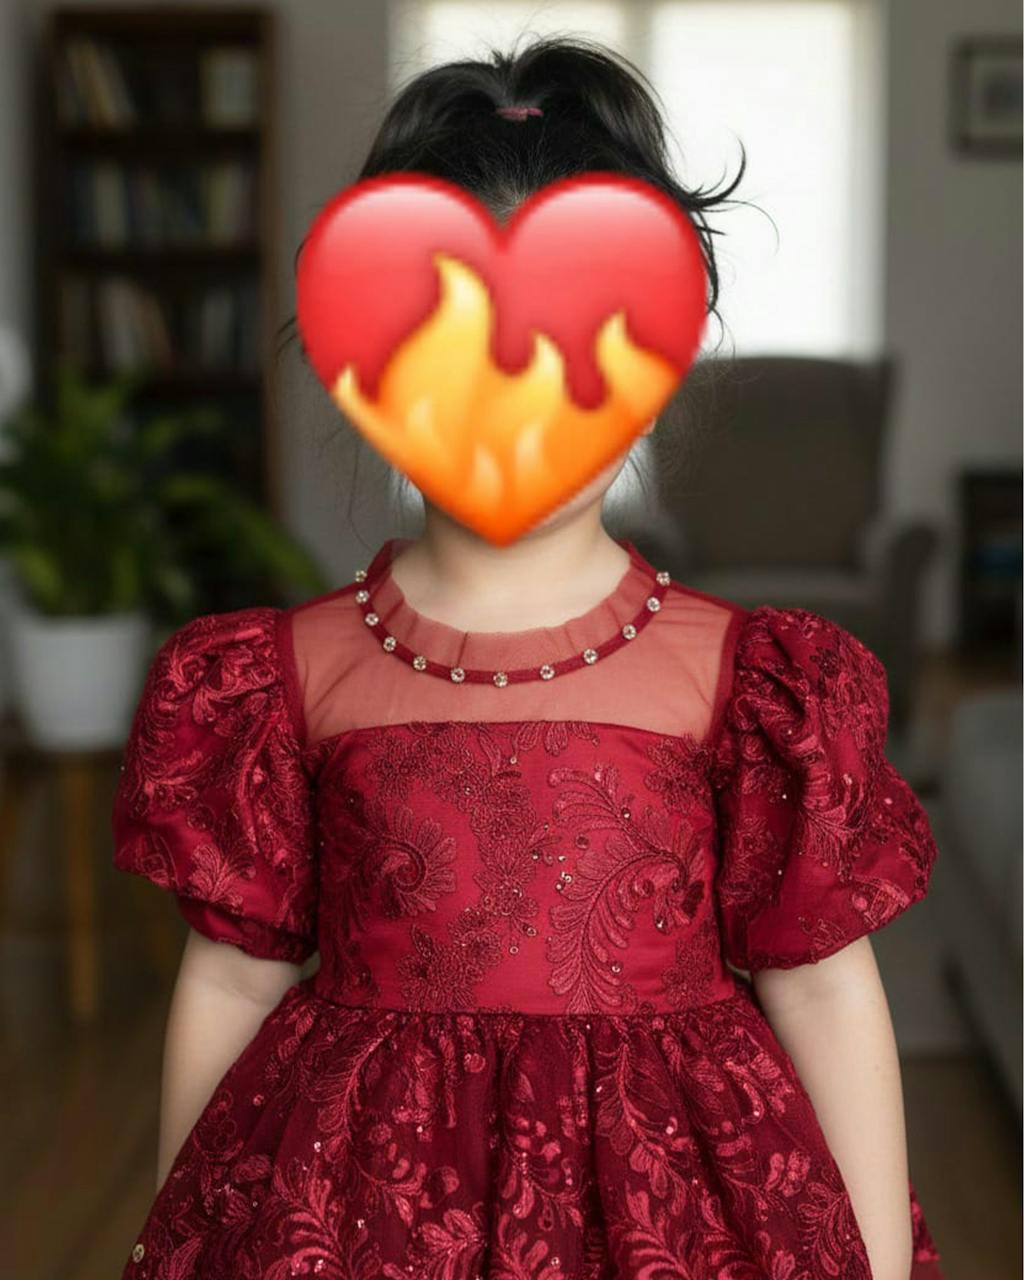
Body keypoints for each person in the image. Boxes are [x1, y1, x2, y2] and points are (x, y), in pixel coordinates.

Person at [112, 35, 945, 1280]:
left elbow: (822, 990)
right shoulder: (286, 672)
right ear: (366, 361)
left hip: (674, 1217)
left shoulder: (749, 678)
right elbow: (234, 980)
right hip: (355, 1221)